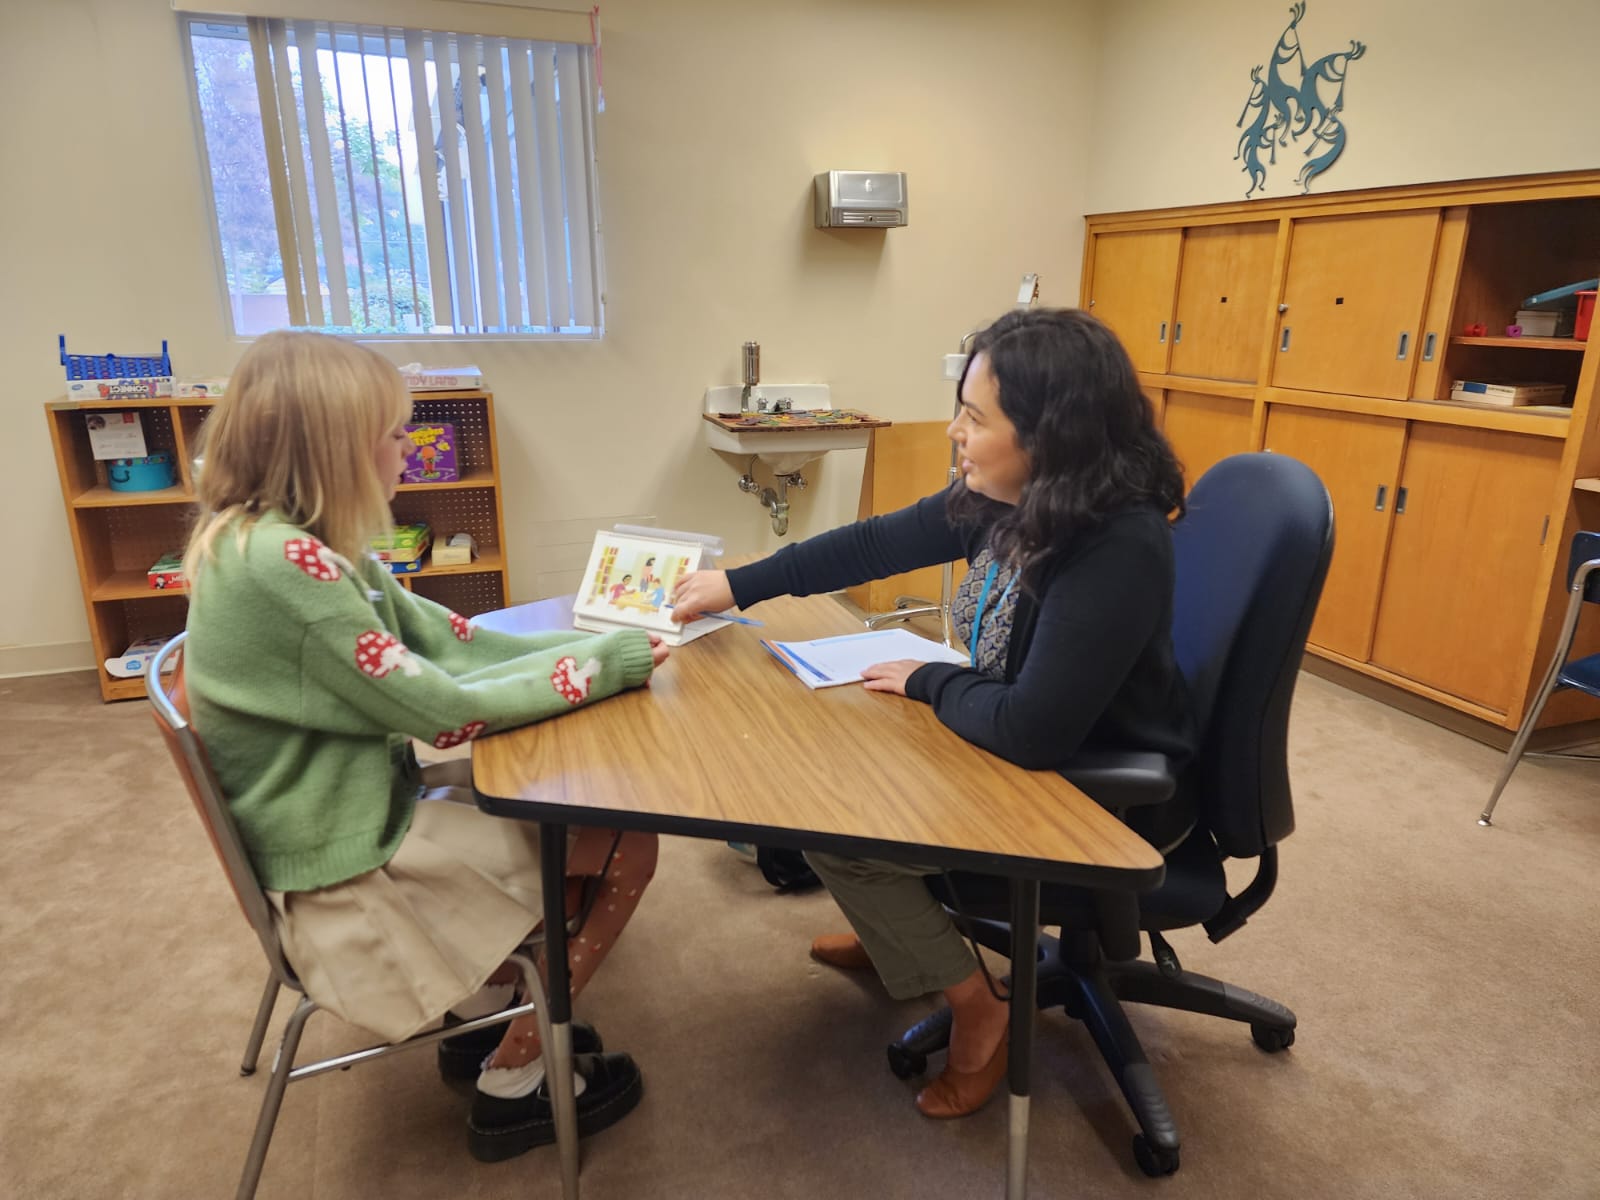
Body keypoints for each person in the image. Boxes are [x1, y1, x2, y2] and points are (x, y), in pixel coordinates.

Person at [671, 308, 1197, 1120]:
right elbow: (876, 544)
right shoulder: (1011, 491)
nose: (954, 431)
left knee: (838, 830)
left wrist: (929, 681)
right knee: (830, 752)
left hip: (1087, 787)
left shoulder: (1114, 542)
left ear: (1050, 432)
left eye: (975, 417)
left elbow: (1033, 731)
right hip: (1017, 730)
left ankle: (979, 1006)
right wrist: (740, 584)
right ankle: (904, 940)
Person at [182, 330, 664, 1162]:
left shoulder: (294, 542)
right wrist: (604, 666)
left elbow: (455, 642)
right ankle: (516, 1070)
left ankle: (499, 1009)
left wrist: (593, 652)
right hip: (343, 866)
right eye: (396, 433)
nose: (411, 448)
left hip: (341, 814)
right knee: (624, 842)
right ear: (336, 448)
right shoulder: (289, 566)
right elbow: (442, 710)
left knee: (570, 814)